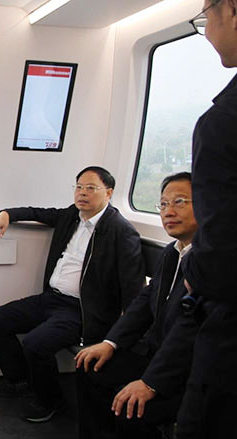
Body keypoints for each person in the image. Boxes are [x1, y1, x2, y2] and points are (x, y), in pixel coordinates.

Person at [0, 166, 144, 423]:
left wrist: (117, 336)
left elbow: (133, 290)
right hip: (52, 298)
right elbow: (37, 213)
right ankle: (20, 381)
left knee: (35, 344)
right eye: (79, 187)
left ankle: (52, 401)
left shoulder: (121, 232)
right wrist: (6, 214)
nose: (82, 193)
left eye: (91, 188)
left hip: (82, 311)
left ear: (109, 193)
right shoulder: (72, 216)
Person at [75, 172, 199, 439]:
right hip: (157, 355)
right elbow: (143, 304)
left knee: (131, 411)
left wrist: (151, 383)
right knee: (89, 367)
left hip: (191, 372)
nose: (168, 211)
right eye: (163, 204)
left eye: (179, 202)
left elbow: (191, 333)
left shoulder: (211, 264)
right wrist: (110, 343)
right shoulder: (172, 253)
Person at [176, 1, 237, 437]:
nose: (208, 31)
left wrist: (195, 274)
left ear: (230, 9)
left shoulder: (223, 122)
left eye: (205, 18)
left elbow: (220, 252)